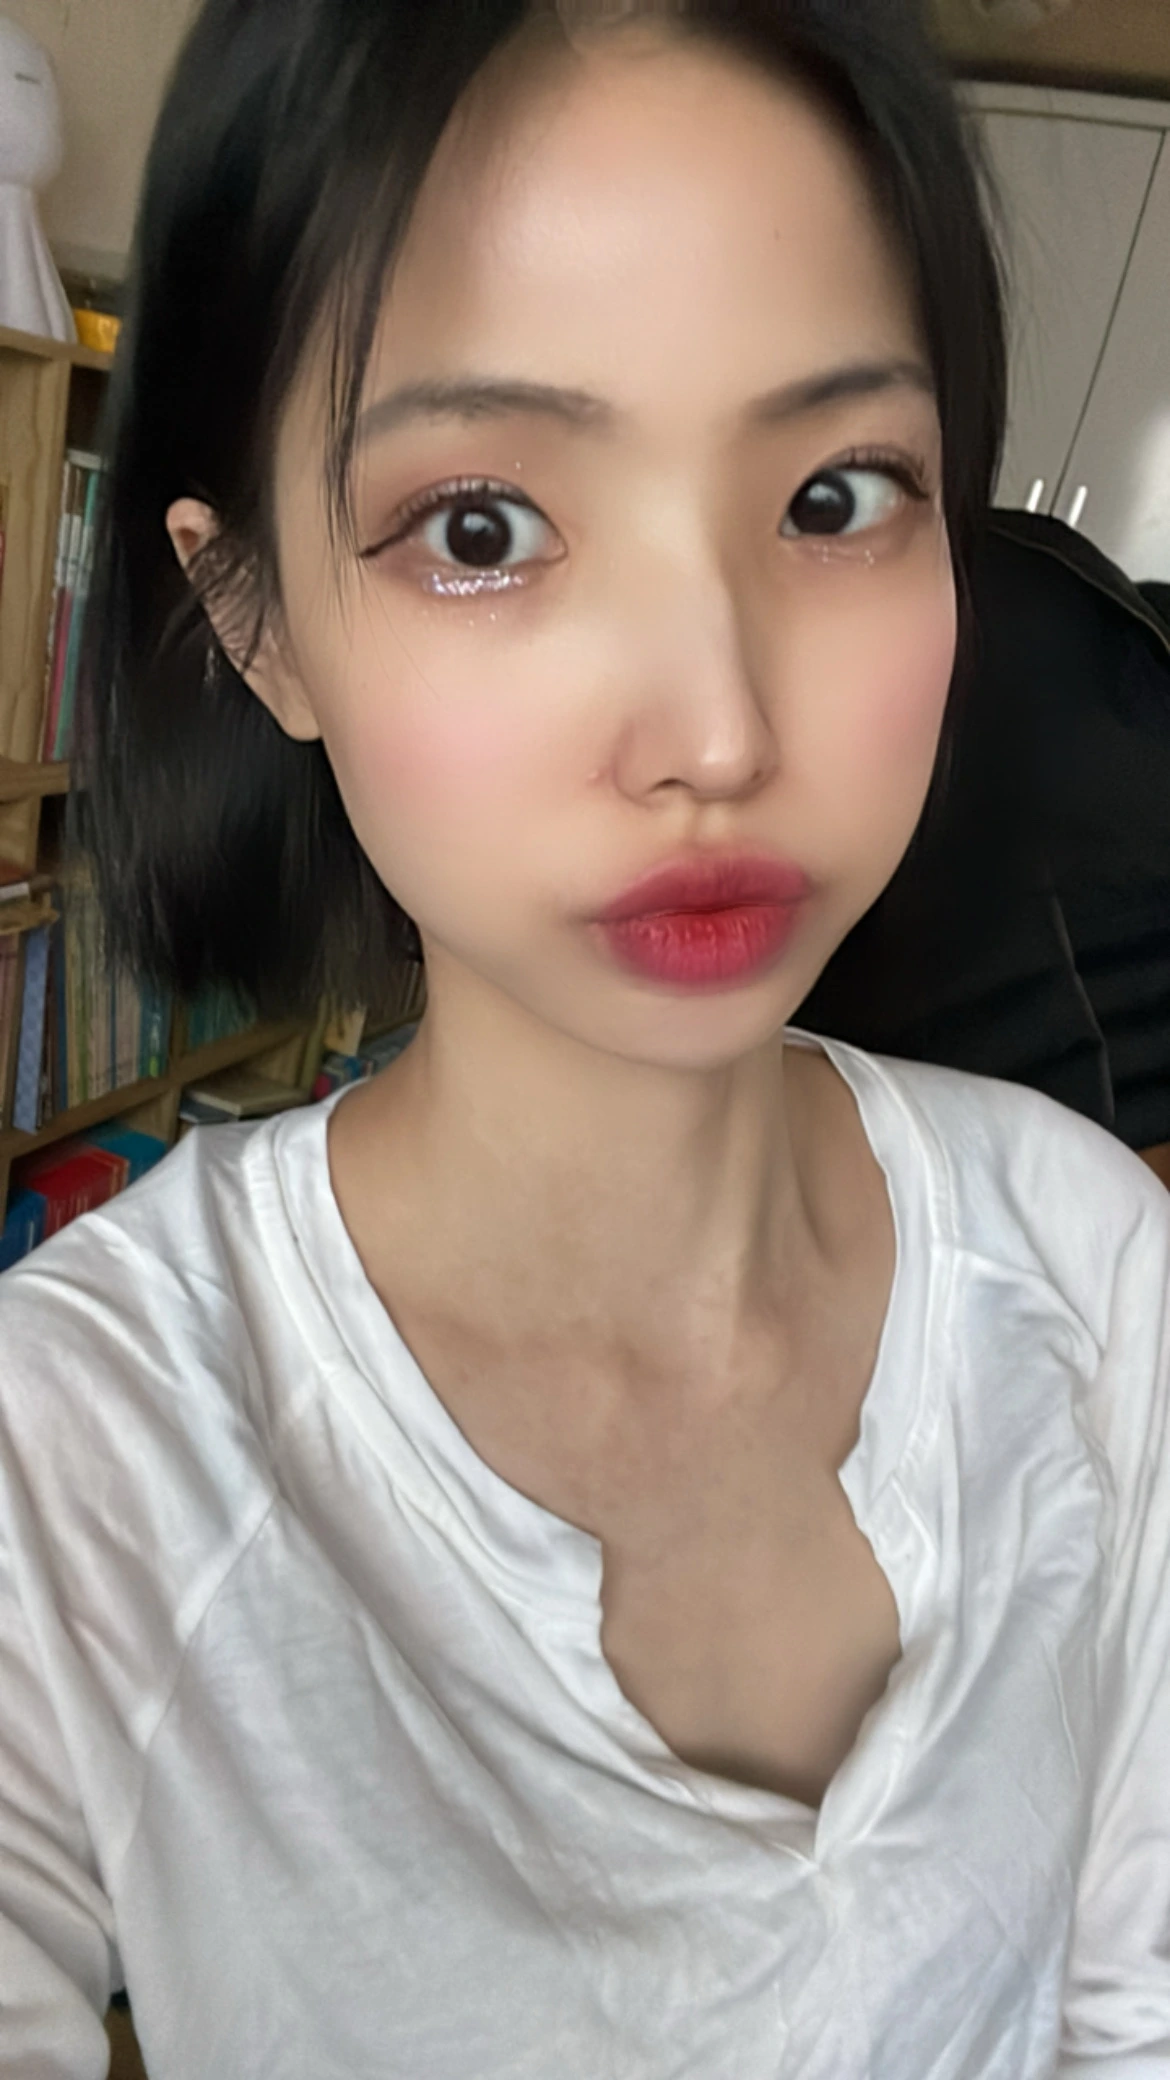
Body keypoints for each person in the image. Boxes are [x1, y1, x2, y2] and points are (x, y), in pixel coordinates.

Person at [1, 1, 1167, 2073]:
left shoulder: (1093, 1275)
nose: (717, 728)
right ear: (256, 616)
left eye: (835, 495)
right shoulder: (72, 1458)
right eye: (482, 528)